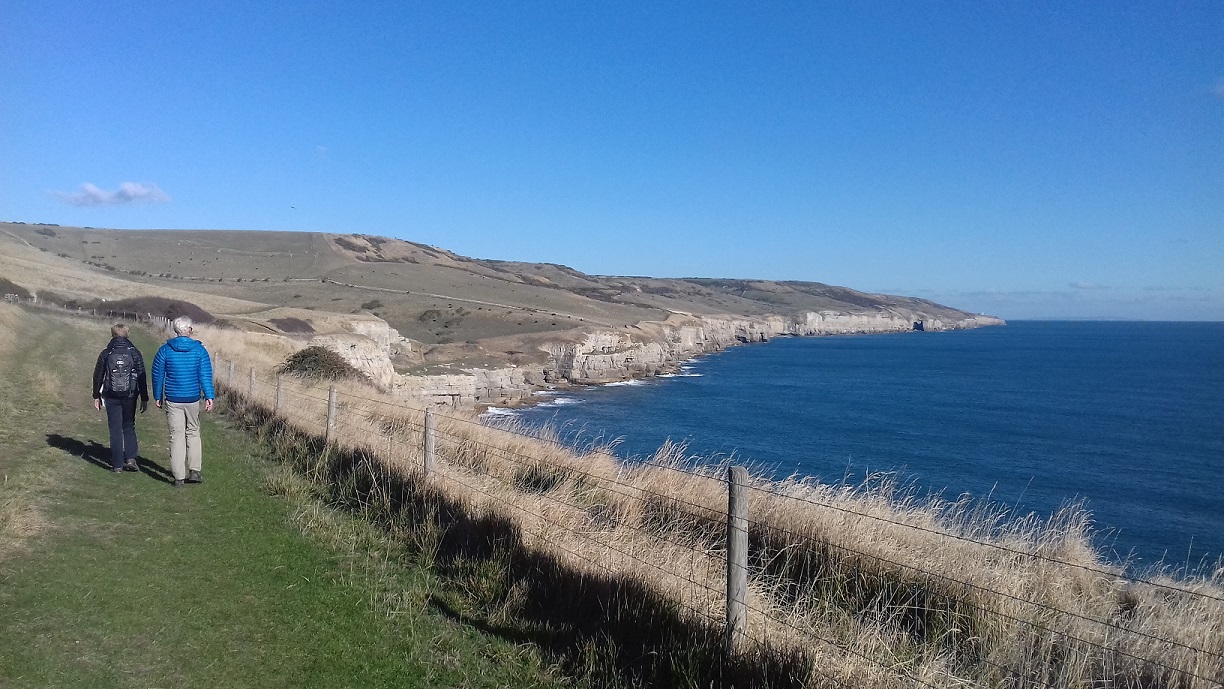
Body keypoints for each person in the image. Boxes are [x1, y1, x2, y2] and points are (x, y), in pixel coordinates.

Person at [151, 316, 215, 487]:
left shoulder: (165, 350)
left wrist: (158, 396)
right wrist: (209, 396)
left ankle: (178, 477)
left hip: (173, 398)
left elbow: (158, 375)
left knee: (176, 435)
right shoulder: (200, 351)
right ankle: (195, 470)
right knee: (193, 432)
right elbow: (205, 376)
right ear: (189, 330)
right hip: (192, 398)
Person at [92, 323, 149, 473]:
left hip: (111, 394)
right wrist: (144, 397)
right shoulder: (135, 353)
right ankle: (130, 458)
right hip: (130, 395)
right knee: (129, 425)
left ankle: (117, 465)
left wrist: (96, 395)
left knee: (115, 428)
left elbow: (98, 375)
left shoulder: (106, 353)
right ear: (127, 335)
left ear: (112, 335)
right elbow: (142, 376)